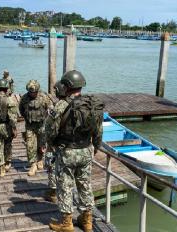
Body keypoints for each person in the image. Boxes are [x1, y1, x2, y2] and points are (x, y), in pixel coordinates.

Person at [46, 70, 104, 232]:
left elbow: (50, 130)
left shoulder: (61, 105)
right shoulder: (91, 105)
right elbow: (98, 131)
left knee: (65, 186)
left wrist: (51, 145)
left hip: (67, 152)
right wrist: (97, 147)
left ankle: (66, 223)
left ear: (67, 86)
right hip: (86, 150)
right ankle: (87, 221)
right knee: (85, 185)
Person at [19, 80, 52, 176]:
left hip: (41, 124)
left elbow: (49, 107)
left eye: (34, 92)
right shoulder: (24, 98)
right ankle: (33, 165)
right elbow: (21, 109)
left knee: (41, 144)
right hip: (30, 125)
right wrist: (27, 117)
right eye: (30, 92)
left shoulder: (43, 97)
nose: (32, 94)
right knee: (30, 145)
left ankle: (40, 159)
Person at [0, 79, 18, 178]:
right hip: (6, 126)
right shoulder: (9, 99)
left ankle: (1, 167)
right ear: (6, 88)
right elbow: (13, 117)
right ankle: (8, 163)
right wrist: (14, 129)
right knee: (8, 144)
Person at [44, 81, 67, 203]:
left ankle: (53, 192)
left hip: (57, 143)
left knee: (52, 166)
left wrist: (48, 143)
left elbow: (50, 128)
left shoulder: (58, 107)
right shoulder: (74, 103)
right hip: (73, 144)